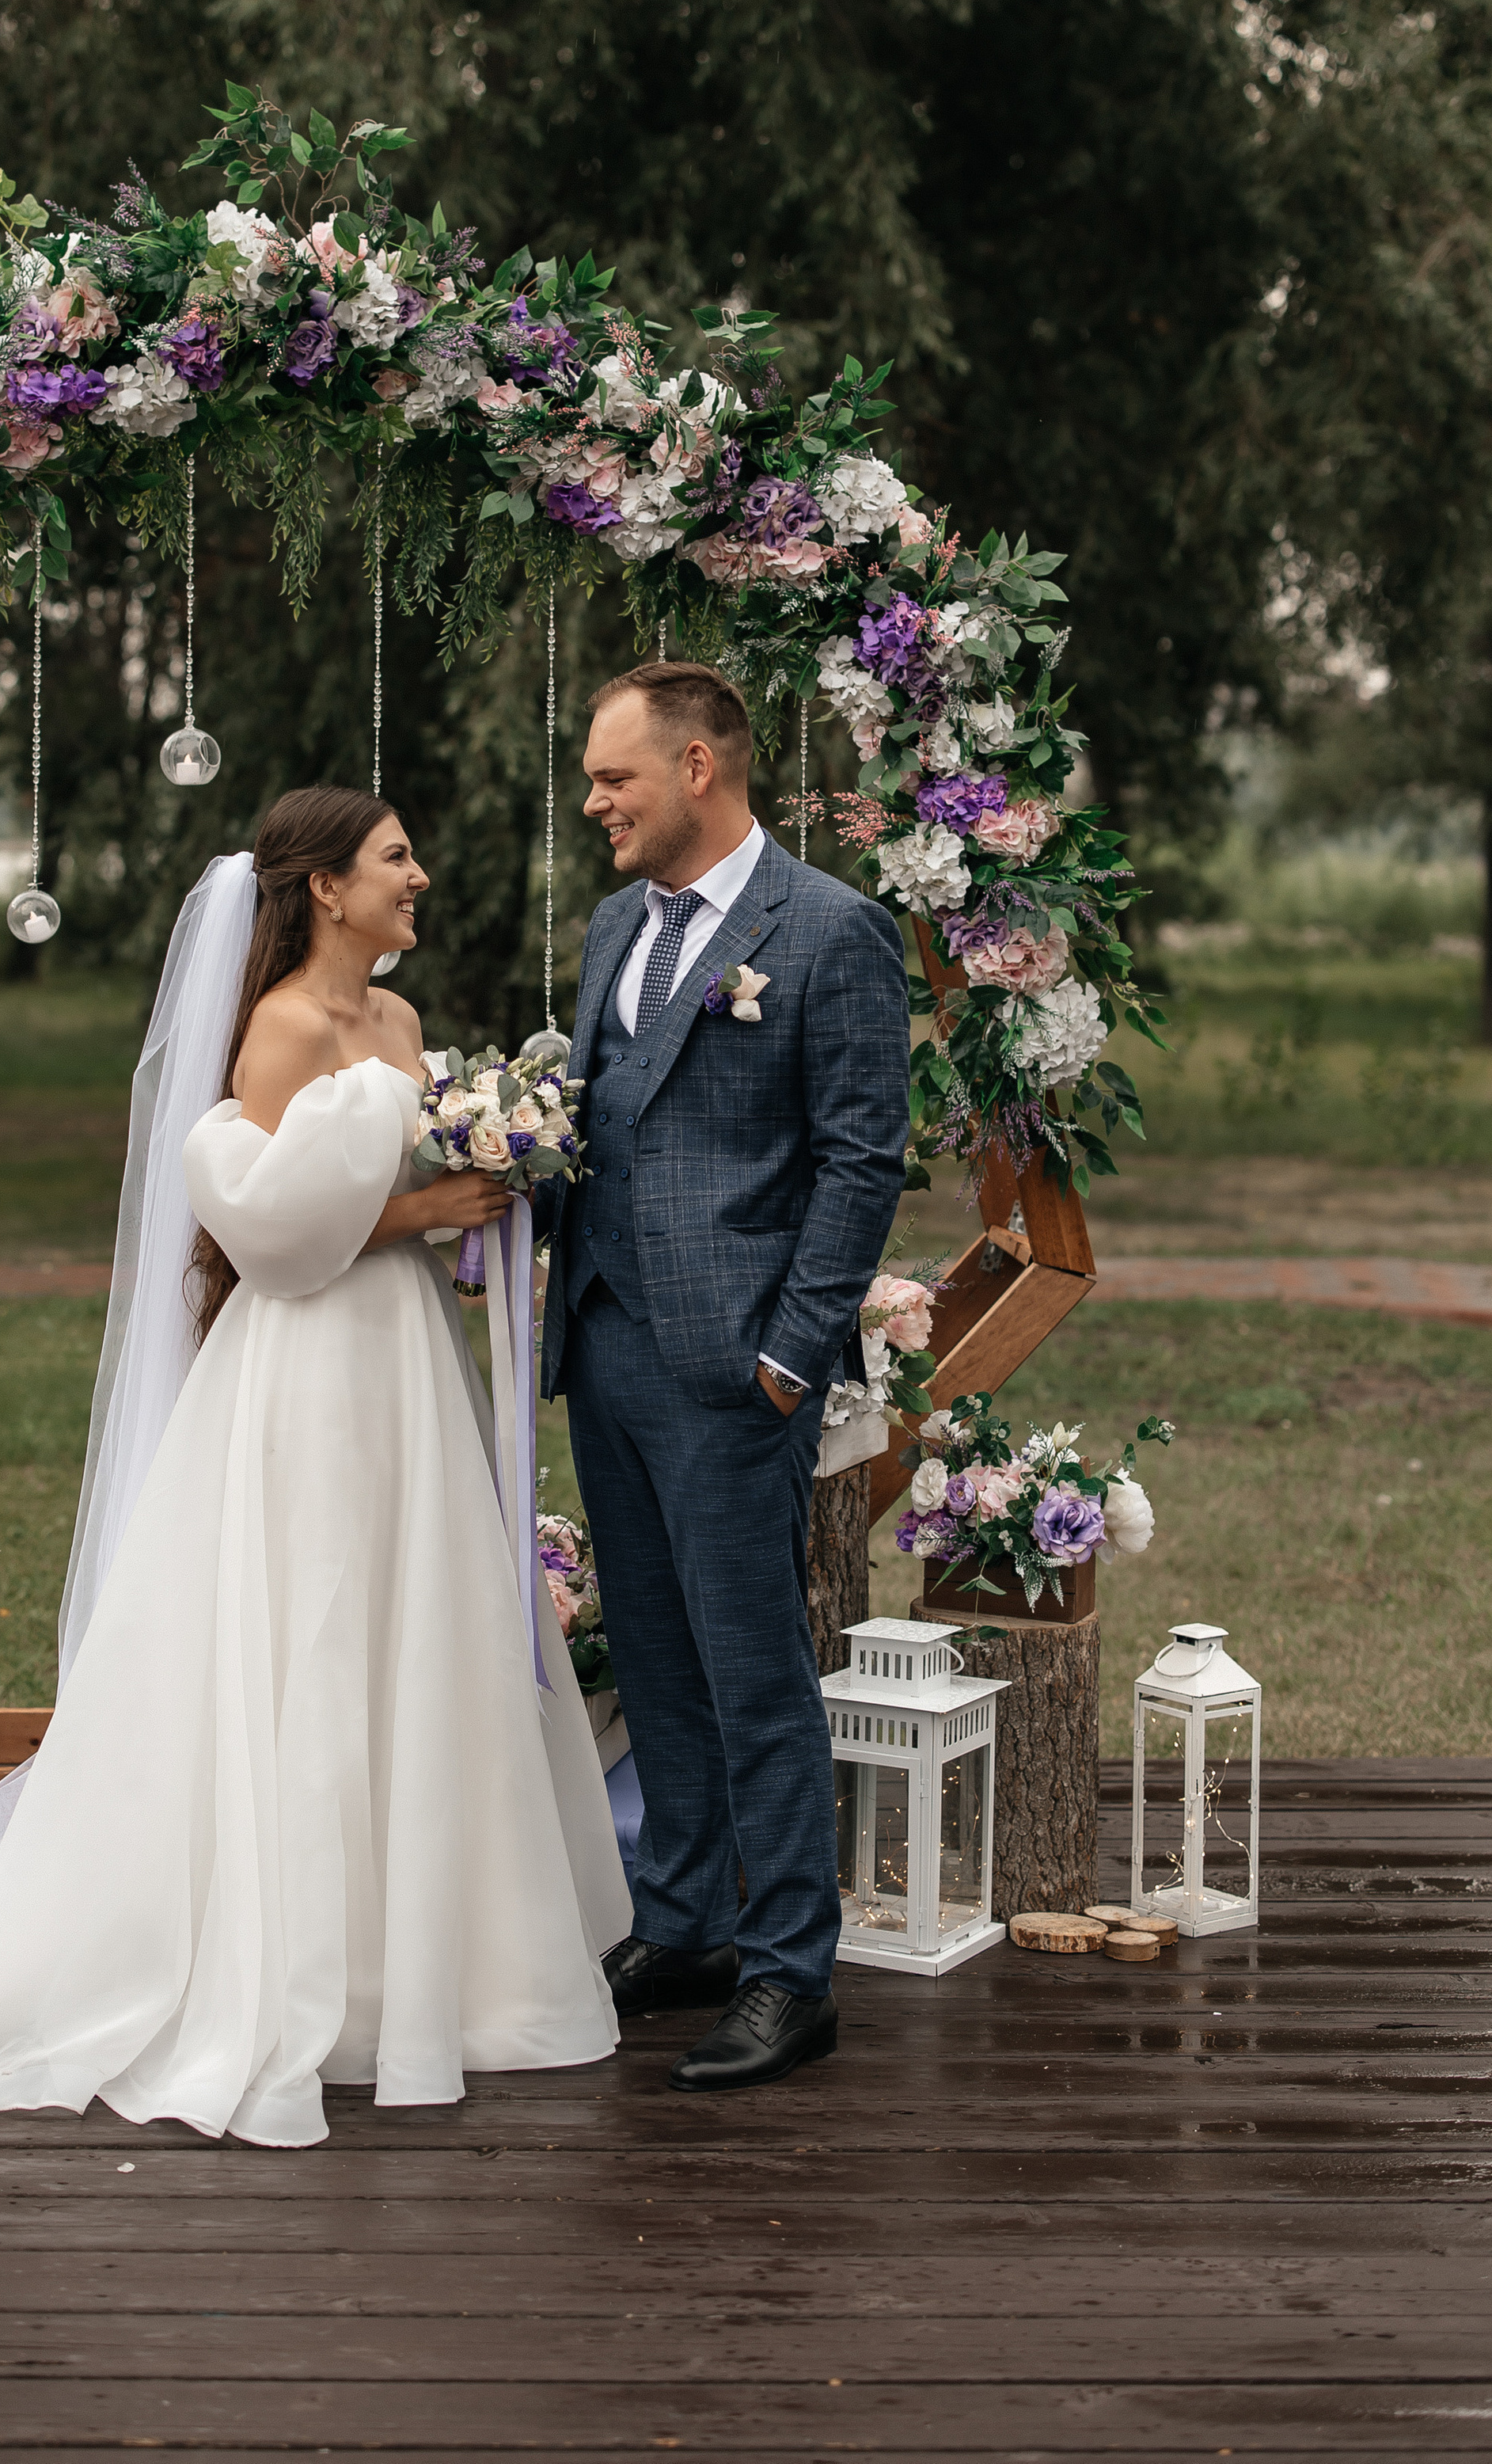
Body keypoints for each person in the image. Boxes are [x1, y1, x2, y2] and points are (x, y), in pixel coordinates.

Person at [0, 787, 628, 2147]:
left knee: (411, 1622)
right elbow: (278, 1232)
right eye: (397, 859)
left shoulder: (399, 1024)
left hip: (400, 1363)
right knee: (314, 1626)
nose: (422, 877)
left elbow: (371, 1200)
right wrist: (424, 1207)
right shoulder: (276, 1029)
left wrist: (476, 1211)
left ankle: (433, 1961)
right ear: (325, 887)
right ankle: (294, 1964)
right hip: (308, 1368)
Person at [540, 663, 910, 2092]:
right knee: (653, 1652)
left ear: (700, 767)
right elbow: (599, 1117)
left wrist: (787, 1357)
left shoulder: (831, 934)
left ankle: (789, 1972)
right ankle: (686, 1920)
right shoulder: (615, 925)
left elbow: (861, 1160)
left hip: (735, 1365)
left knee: (753, 1670)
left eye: (614, 777)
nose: (595, 803)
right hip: (610, 1344)